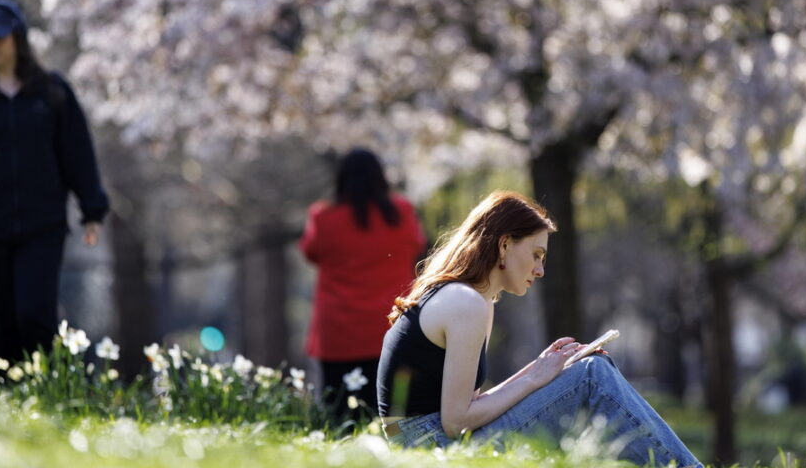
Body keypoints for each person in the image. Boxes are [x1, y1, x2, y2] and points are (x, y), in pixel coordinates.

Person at [377, 191, 702, 467]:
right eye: (536, 255)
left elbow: (469, 409)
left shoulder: (473, 300)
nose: (540, 269)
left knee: (587, 369)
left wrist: (540, 370)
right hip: (430, 452)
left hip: (429, 446)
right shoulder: (466, 303)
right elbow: (456, 422)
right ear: (504, 245)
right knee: (592, 374)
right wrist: (535, 378)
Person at [0, 0, 109, 372]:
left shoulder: (52, 93)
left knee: (35, 316)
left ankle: (44, 393)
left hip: (41, 227)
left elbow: (77, 152)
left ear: (18, 38)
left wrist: (92, 210)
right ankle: (7, 404)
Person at [300, 148, 426, 420]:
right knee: (392, 412)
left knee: (340, 411)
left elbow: (310, 251)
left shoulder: (323, 218)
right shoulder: (402, 213)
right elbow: (417, 243)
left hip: (340, 331)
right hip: (390, 326)